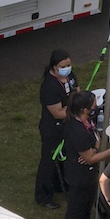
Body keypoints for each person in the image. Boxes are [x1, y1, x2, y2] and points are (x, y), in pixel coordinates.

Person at [60, 89, 110, 219]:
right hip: (79, 175)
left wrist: (93, 149)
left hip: (87, 173)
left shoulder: (86, 122)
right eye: (93, 105)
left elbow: (96, 141)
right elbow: (91, 158)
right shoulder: (77, 130)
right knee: (76, 207)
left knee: (87, 203)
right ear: (84, 109)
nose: (95, 107)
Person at [34, 51, 73, 209]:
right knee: (48, 162)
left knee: (65, 158)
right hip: (52, 130)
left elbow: (76, 90)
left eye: (69, 65)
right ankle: (43, 196)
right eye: (63, 67)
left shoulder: (69, 76)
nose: (67, 69)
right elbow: (57, 113)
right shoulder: (49, 87)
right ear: (54, 67)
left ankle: (59, 184)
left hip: (67, 124)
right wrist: (76, 109)